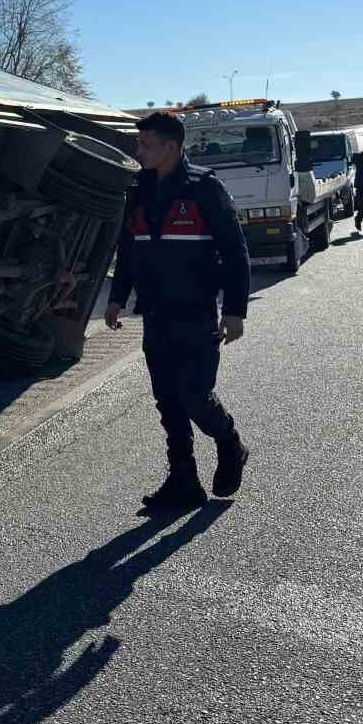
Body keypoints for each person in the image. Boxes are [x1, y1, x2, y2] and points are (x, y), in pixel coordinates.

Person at [105, 110, 251, 513]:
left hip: (196, 312)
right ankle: (184, 480)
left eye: (146, 144)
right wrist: (117, 297)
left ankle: (230, 442)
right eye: (139, 144)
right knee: (167, 399)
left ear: (171, 146)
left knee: (194, 396)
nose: (139, 151)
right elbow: (128, 248)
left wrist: (235, 310)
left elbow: (236, 253)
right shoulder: (139, 189)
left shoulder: (205, 188)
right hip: (155, 313)